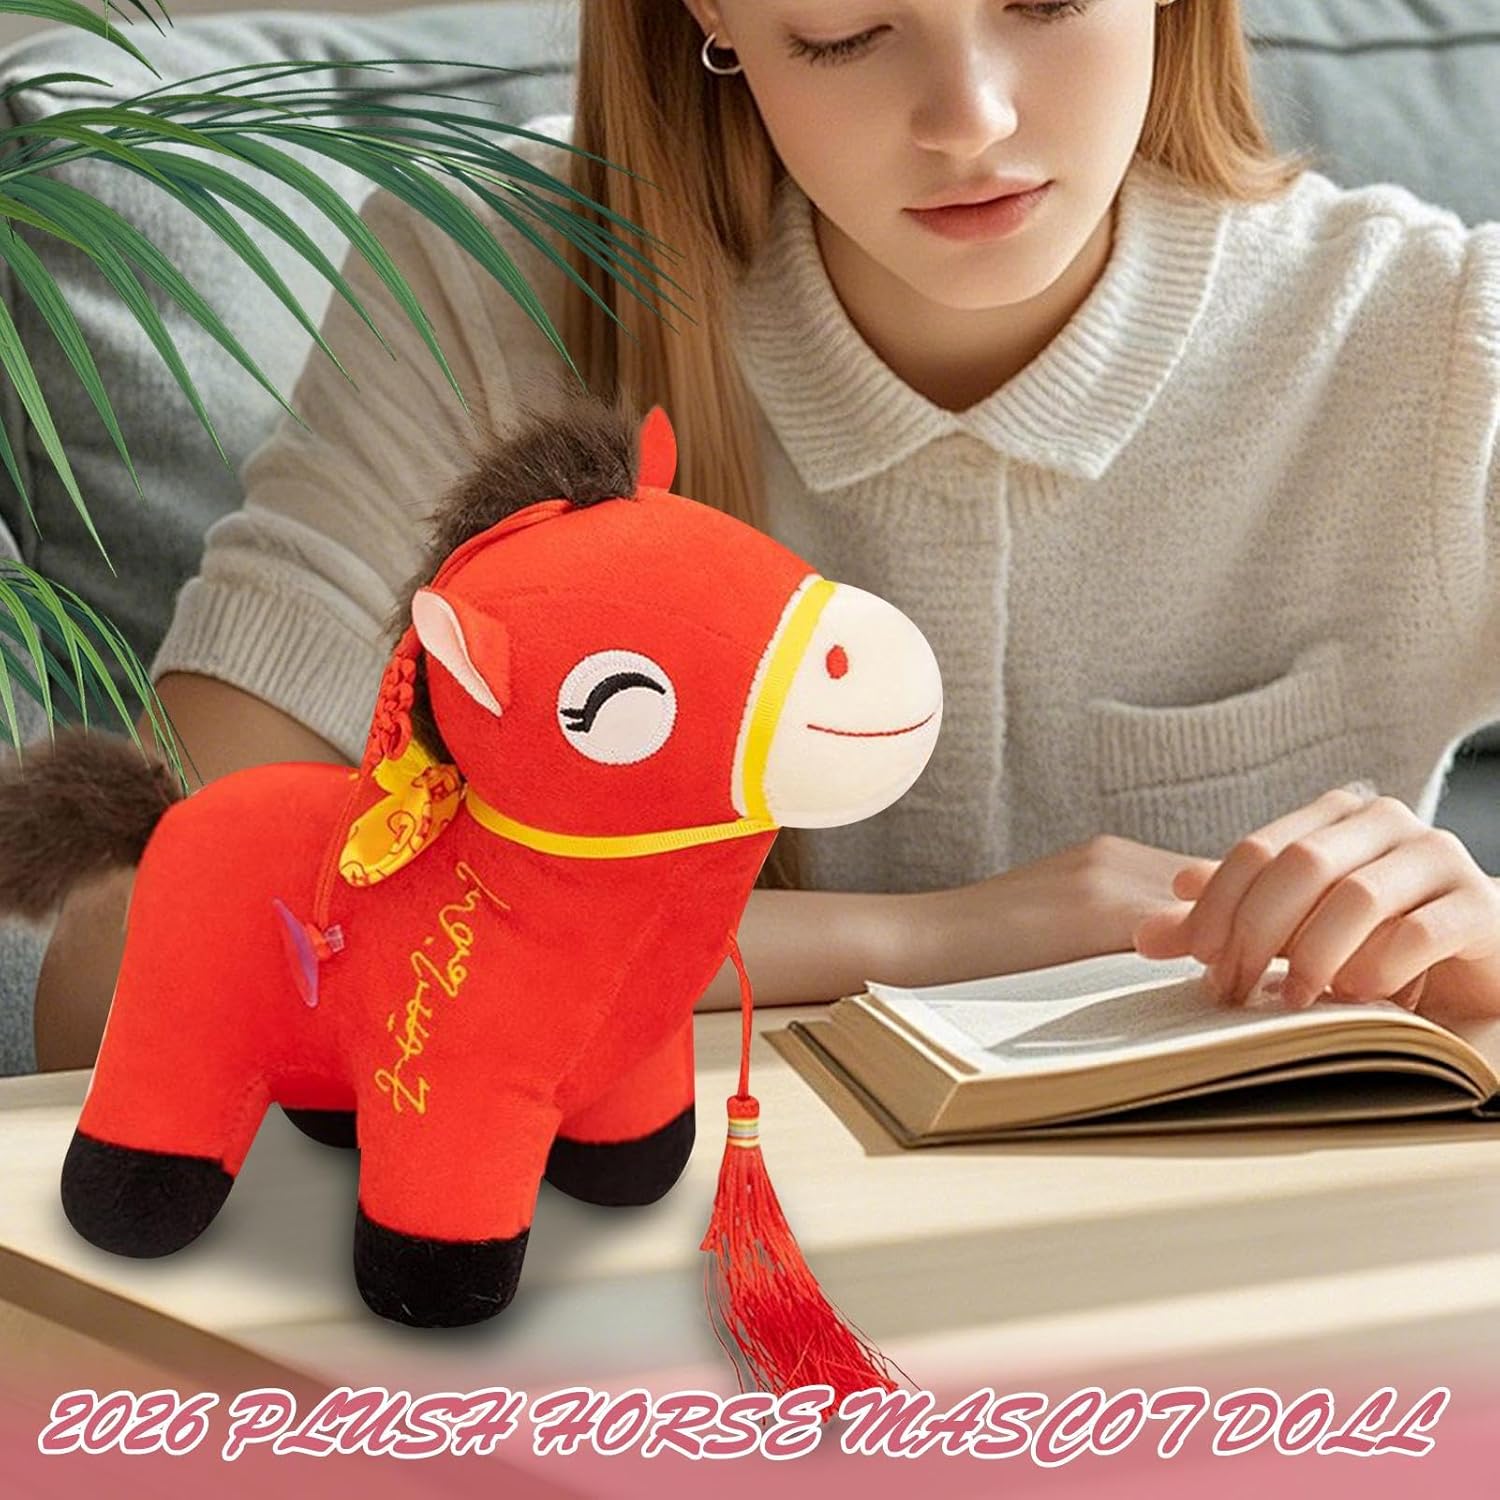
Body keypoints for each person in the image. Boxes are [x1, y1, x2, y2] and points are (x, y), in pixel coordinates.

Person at [16, 0, 1500, 1074]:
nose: (972, 117)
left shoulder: (1440, 340)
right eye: (846, 35)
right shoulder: (488, 290)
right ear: (715, 15)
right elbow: (128, 949)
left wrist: (1479, 939)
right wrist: (942, 941)